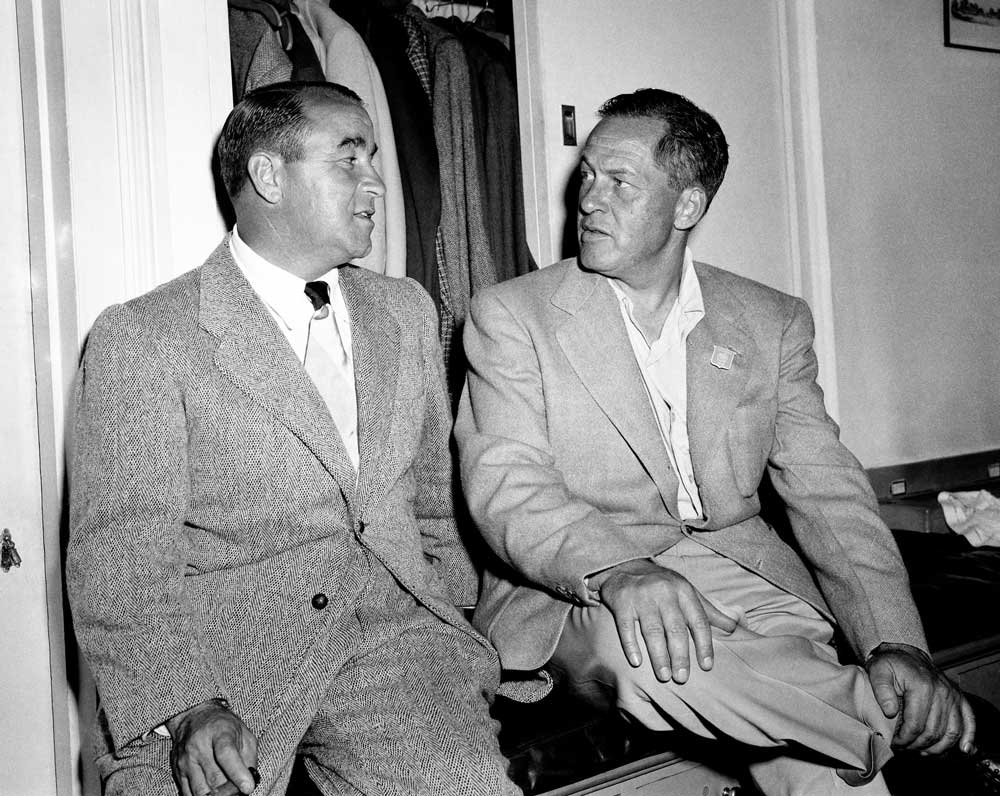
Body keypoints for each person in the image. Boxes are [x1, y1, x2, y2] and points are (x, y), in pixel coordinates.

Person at [454, 88, 993, 795]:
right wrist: (622, 570)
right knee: (657, 658)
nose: (588, 199)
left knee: (812, 751)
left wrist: (896, 644)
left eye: (620, 182)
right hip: (581, 582)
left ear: (687, 207)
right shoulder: (512, 316)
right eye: (587, 175)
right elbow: (507, 486)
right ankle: (925, 731)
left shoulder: (769, 321)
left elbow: (828, 491)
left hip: (746, 571)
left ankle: (881, 715)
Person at [66, 81, 519, 796]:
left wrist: (447, 622)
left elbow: (437, 500)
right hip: (220, 662)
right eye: (349, 159)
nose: (376, 181)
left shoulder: (402, 309)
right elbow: (120, 559)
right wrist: (187, 706)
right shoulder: (147, 336)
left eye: (373, 157)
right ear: (268, 176)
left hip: (393, 643)